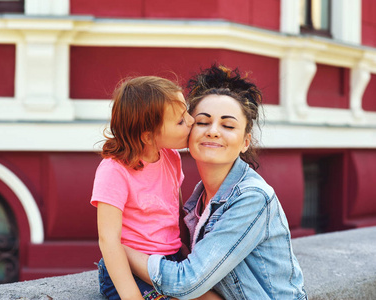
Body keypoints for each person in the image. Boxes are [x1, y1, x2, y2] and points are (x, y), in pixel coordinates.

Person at [124, 65, 308, 300]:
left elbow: (186, 282)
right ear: (188, 131)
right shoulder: (197, 201)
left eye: (228, 126)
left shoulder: (252, 197)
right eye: (202, 122)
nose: (213, 131)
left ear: (245, 142)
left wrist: (119, 250)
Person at [91, 76, 222, 300]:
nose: (191, 122)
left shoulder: (171, 157)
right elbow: (108, 240)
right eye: (181, 121)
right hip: (131, 269)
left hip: (169, 263)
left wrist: (185, 251)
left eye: (187, 113)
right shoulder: (114, 171)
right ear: (148, 135)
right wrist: (131, 296)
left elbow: (174, 209)